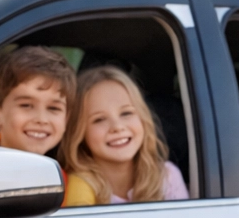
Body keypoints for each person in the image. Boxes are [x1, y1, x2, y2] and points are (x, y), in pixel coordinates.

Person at [0, 44, 95, 206]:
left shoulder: (61, 182)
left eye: (53, 108)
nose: (41, 119)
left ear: (66, 119)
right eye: (26, 105)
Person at [62, 65, 189, 204]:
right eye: (99, 119)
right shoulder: (78, 188)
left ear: (143, 119)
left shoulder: (167, 178)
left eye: (126, 113)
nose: (117, 127)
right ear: (79, 133)